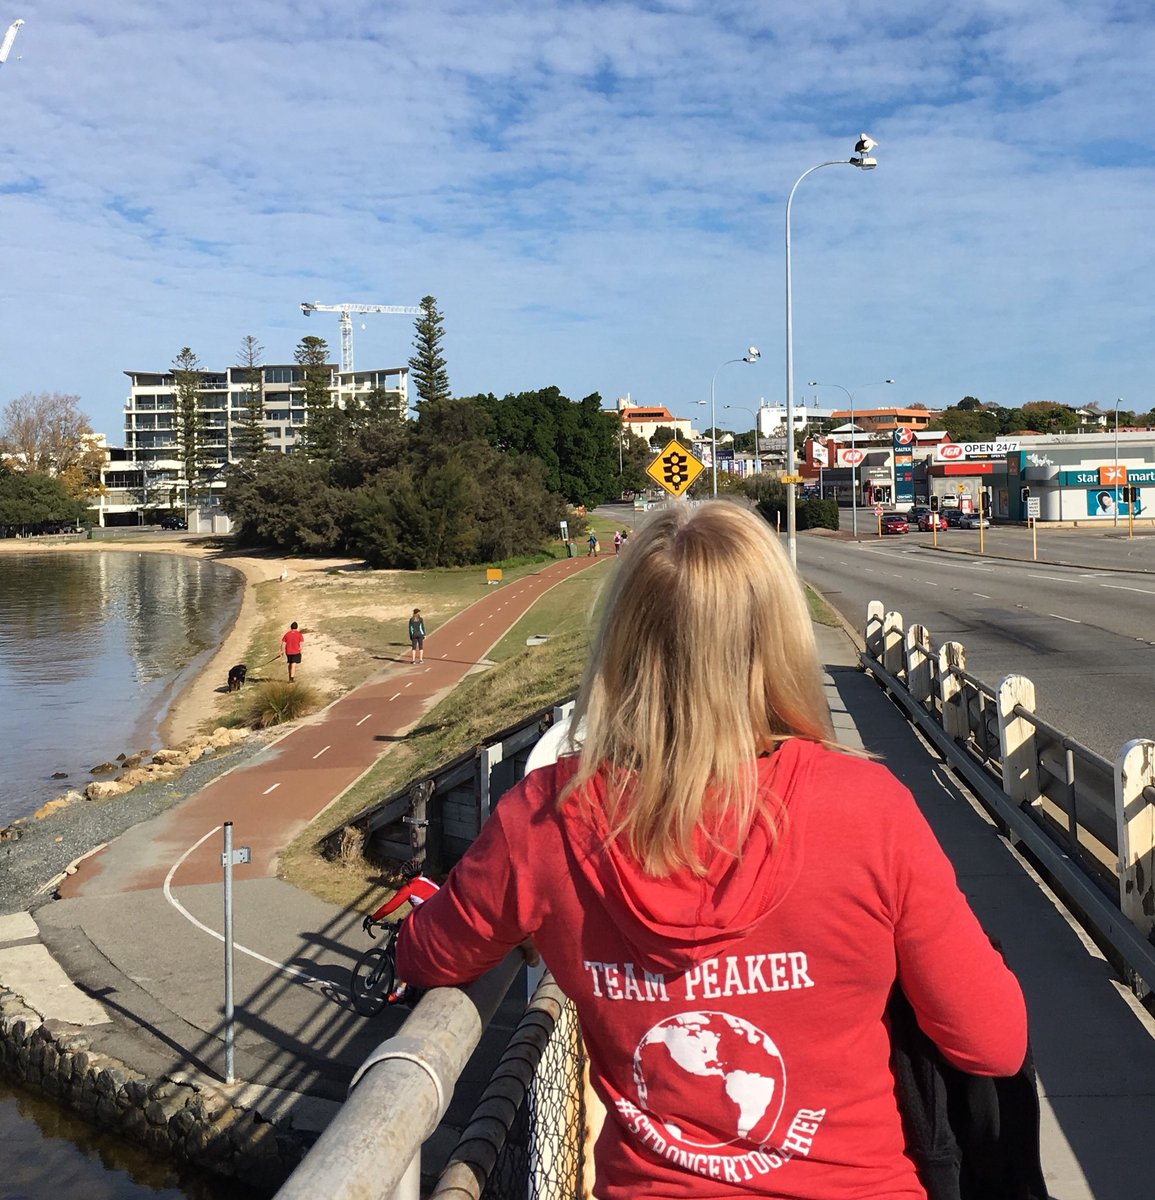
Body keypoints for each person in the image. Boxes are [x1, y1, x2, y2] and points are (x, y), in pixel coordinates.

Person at [397, 501, 1027, 1199]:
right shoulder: (867, 807)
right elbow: (991, 1041)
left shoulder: (544, 816)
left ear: (621, 640)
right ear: (779, 638)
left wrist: (528, 926)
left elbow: (427, 954)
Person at [363, 861, 440, 1004]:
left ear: (406, 877)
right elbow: (425, 905)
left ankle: (400, 993)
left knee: (407, 955)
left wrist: (372, 919)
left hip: (431, 925)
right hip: (441, 920)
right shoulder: (429, 881)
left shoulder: (409, 888)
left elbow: (389, 907)